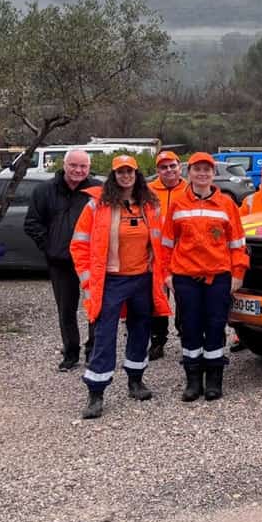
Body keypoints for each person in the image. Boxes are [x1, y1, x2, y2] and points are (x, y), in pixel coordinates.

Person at [70, 156, 170, 419]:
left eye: (130, 172)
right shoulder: (97, 206)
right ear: (113, 176)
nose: (126, 176)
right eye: (120, 172)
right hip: (112, 280)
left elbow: (160, 244)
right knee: (104, 334)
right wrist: (88, 278)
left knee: (140, 330)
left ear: (137, 175)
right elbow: (79, 244)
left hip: (143, 279)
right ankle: (96, 393)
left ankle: (135, 381)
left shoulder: (149, 205)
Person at [161, 152, 249, 402]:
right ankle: (192, 380)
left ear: (213, 174)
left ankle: (213, 379)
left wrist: (238, 273)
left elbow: (237, 243)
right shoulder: (178, 204)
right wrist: (166, 274)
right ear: (190, 173)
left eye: (207, 170)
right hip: (186, 277)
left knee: (214, 326)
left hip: (218, 277)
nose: (202, 174)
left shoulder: (227, 204)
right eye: (197, 169)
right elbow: (166, 244)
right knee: (189, 327)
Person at [23, 148, 102, 371]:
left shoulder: (99, 190)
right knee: (66, 310)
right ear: (64, 165)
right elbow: (32, 223)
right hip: (60, 261)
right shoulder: (44, 190)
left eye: (83, 166)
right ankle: (70, 353)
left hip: (90, 260)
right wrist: (49, 246)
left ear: (89, 168)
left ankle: (93, 351)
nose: (78, 170)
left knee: (94, 308)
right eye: (74, 165)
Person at [146, 150, 188, 360]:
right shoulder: (147, 191)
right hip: (156, 255)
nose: (169, 170)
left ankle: (186, 337)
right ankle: (158, 340)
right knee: (157, 299)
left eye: (172, 165)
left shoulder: (189, 189)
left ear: (180, 167)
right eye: (164, 167)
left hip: (183, 255)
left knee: (185, 298)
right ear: (157, 170)